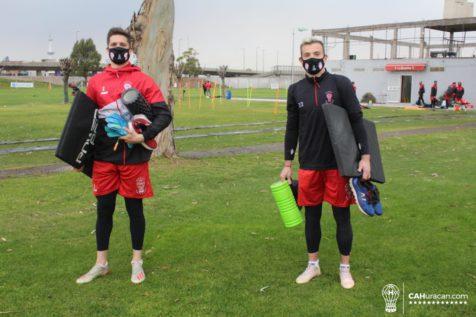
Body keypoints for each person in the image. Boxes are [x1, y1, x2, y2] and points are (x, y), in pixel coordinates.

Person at [75, 27, 172, 285]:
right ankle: (101, 263)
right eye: (113, 44)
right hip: (104, 160)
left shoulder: (142, 80)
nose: (118, 49)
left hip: (134, 160)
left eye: (122, 45)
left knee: (134, 210)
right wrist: (79, 158)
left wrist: (142, 136)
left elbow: (164, 114)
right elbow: (85, 122)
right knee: (104, 210)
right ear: (107, 49)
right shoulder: (96, 82)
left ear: (129, 50)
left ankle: (136, 261)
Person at [280, 38, 370, 289]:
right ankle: (313, 265)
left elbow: (357, 120)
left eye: (316, 53)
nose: (312, 58)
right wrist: (288, 163)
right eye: (307, 55)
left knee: (342, 216)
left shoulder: (340, 84)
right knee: (312, 217)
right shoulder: (295, 90)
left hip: (338, 165)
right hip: (309, 164)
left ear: (325, 57)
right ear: (301, 60)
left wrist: (366, 158)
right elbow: (292, 128)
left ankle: (345, 269)